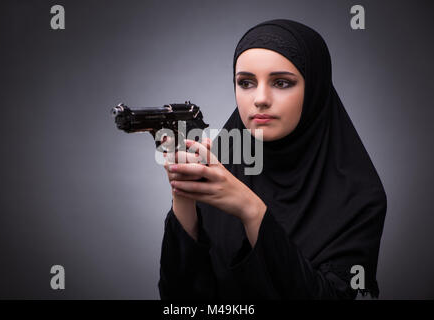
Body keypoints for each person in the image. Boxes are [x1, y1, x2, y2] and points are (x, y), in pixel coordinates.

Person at [157, 19, 387, 300]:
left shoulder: (359, 196)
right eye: (246, 83)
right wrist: (184, 197)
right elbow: (179, 302)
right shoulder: (220, 168)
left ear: (314, 88)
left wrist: (251, 210)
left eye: (281, 82)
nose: (260, 99)